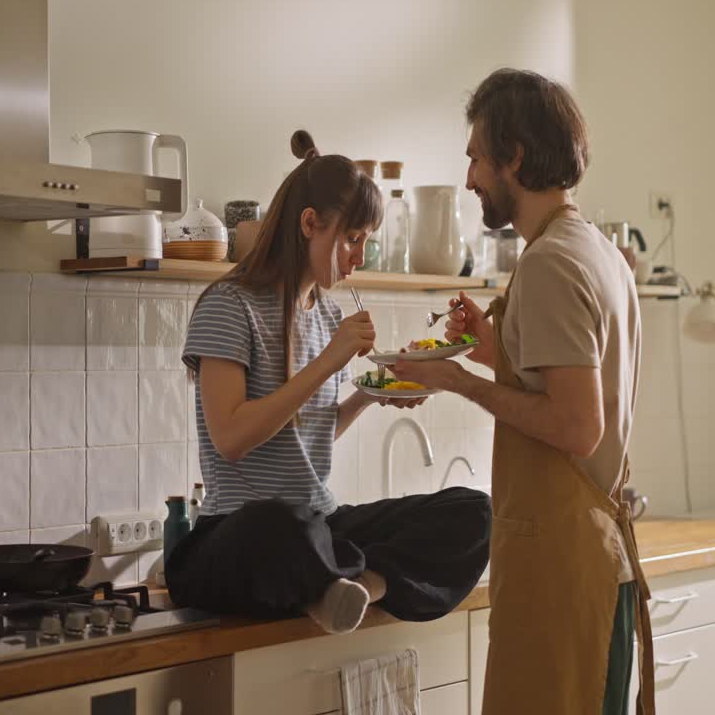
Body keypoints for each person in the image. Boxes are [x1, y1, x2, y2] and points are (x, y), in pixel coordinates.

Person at [390, 70, 654, 714]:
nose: (470, 179)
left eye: (477, 158)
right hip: (584, 563)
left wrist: (458, 380)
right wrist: (493, 348)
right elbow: (566, 380)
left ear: (514, 156)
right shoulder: (597, 252)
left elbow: (577, 426)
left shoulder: (550, 263)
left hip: (564, 573)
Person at [167, 130, 491, 635]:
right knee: (280, 522)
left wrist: (371, 394)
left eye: (366, 241)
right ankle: (329, 577)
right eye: (352, 239)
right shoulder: (228, 305)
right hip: (238, 534)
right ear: (309, 224)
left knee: (474, 512)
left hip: (318, 524)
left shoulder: (326, 315)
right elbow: (230, 438)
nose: (359, 257)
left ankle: (356, 586)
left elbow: (309, 431)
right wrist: (329, 360)